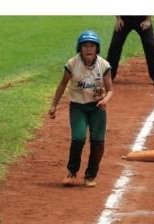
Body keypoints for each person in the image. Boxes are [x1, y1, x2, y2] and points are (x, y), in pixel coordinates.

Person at [49, 30, 114, 188]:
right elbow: (63, 84)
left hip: (97, 107)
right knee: (78, 138)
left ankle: (90, 175)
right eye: (85, 46)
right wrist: (54, 105)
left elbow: (110, 89)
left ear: (97, 48)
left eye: (92, 46)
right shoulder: (72, 64)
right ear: (80, 48)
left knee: (98, 142)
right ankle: (72, 172)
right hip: (78, 106)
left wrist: (105, 100)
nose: (89, 49)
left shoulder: (104, 65)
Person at [105, 16, 154, 86]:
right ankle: (109, 75)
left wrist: (148, 20)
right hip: (124, 18)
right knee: (115, 44)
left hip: (142, 18)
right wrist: (118, 19)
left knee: (149, 44)